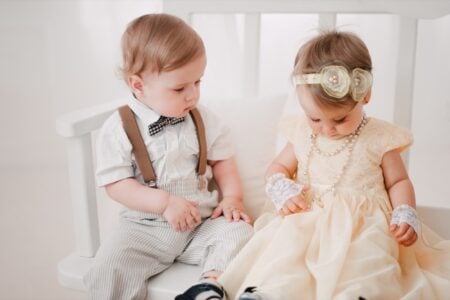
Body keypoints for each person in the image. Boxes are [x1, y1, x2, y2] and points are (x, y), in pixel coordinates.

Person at [219, 30, 450, 300]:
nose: (327, 129)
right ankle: (271, 293)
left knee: (368, 261)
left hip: (363, 226)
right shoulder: (301, 134)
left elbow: (398, 181)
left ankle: (357, 295)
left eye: (340, 119)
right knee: (286, 254)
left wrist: (405, 211)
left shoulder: (379, 137)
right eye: (315, 119)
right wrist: (281, 186)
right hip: (305, 218)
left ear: (365, 96)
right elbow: (277, 167)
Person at [84, 13, 253, 300]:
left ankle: (209, 286)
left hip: (199, 224)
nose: (193, 95)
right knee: (108, 266)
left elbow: (222, 160)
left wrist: (232, 198)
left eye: (197, 82)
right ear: (138, 85)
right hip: (144, 229)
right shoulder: (119, 127)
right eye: (179, 88)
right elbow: (117, 184)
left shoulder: (203, 119)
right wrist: (164, 203)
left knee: (241, 233)